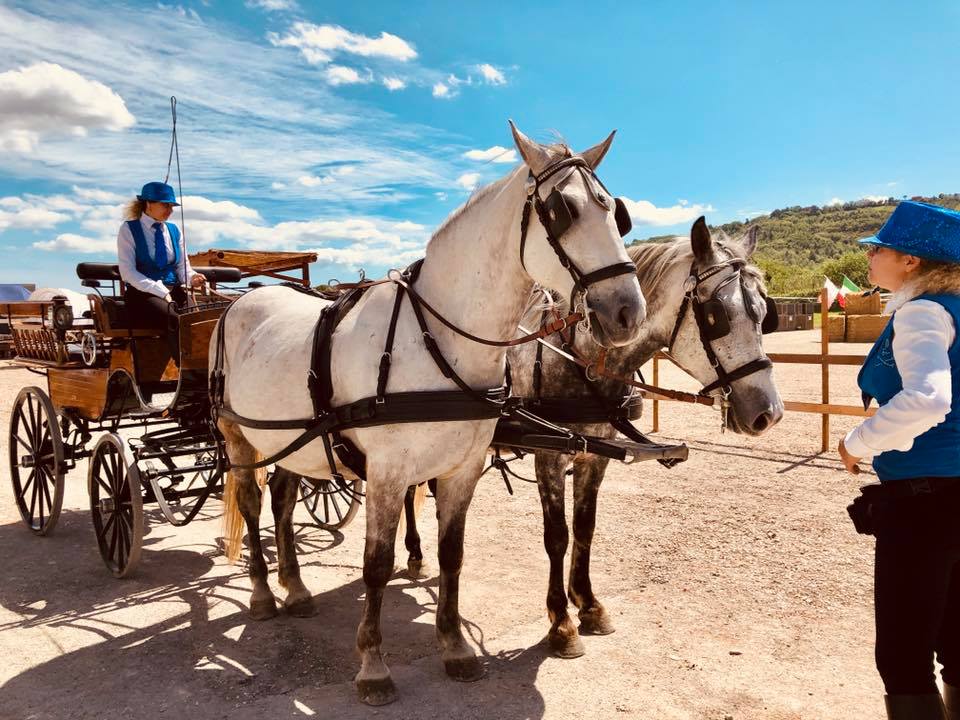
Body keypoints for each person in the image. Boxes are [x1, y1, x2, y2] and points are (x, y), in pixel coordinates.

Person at [840, 200, 960, 720]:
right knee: (957, 643)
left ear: (911, 261)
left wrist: (857, 441)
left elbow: (930, 399)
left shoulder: (923, 311)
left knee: (903, 656)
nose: (871, 256)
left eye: (879, 248)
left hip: (925, 501)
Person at [117, 181, 205, 362]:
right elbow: (127, 272)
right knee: (175, 318)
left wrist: (192, 277)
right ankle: (187, 373)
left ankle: (203, 367)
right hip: (142, 294)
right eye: (165, 205)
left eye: (172, 206)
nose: (170, 210)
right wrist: (159, 290)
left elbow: (182, 266)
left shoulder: (174, 230)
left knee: (199, 320)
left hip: (173, 291)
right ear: (148, 203)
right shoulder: (129, 229)